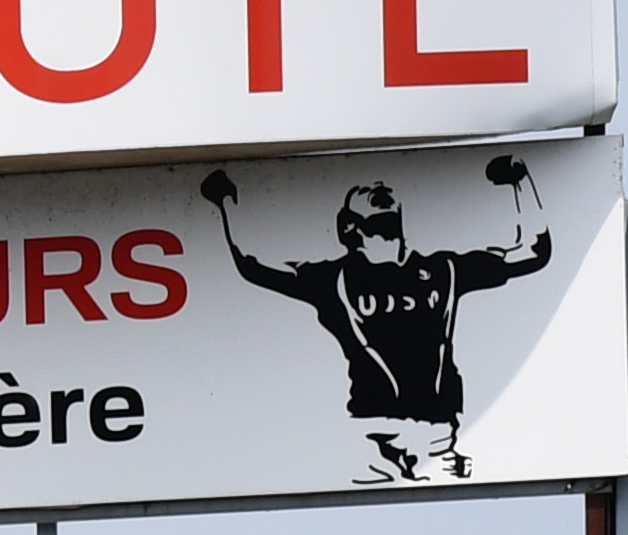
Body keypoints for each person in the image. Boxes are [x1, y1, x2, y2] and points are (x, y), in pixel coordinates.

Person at [201, 158, 555, 480]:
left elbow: (533, 252)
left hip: (438, 435)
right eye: (366, 192)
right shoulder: (333, 280)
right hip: (372, 437)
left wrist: (519, 179)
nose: (380, 188)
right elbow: (253, 263)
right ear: (349, 227)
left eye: (384, 191)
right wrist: (225, 200)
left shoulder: (442, 270)